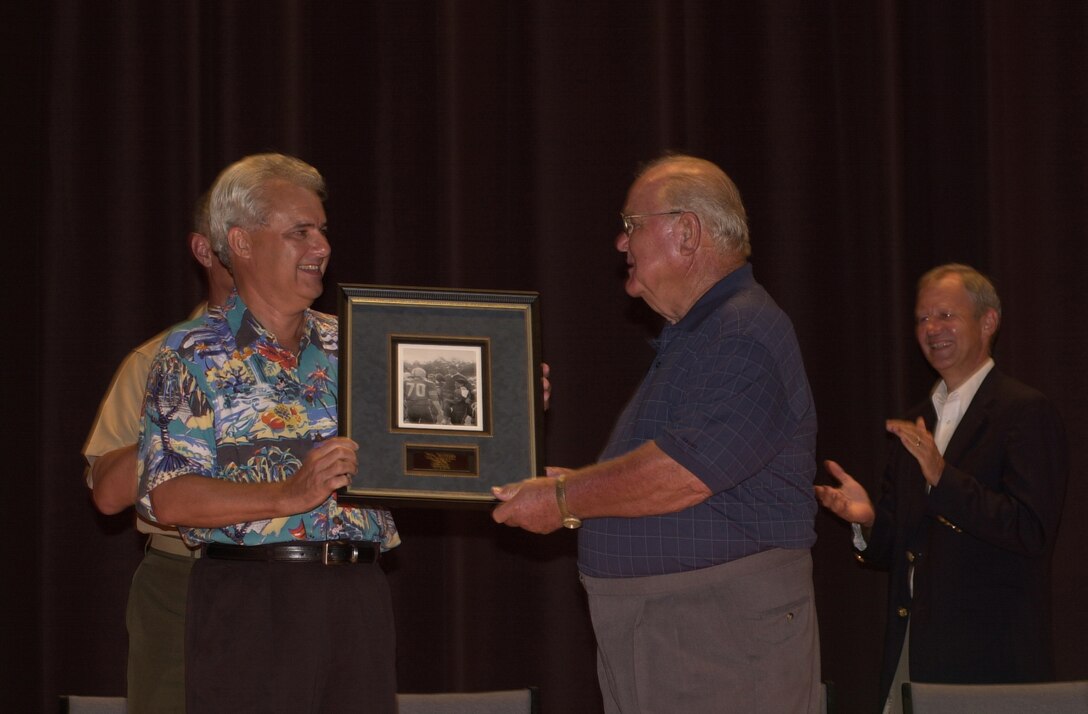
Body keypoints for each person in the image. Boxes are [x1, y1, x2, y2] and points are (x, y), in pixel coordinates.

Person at [493, 154, 822, 713]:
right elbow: (696, 468)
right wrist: (579, 487)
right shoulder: (708, 331)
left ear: (687, 232)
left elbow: (684, 474)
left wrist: (566, 500)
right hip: (689, 633)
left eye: (631, 226)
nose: (622, 244)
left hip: (714, 637)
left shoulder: (742, 332)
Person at [135, 153, 400, 712]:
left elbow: (418, 448)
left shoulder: (359, 340)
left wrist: (498, 410)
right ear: (243, 242)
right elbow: (169, 496)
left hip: (359, 593)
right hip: (253, 600)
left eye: (322, 231)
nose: (322, 247)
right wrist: (287, 494)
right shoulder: (191, 354)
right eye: (300, 231)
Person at [815, 264, 1068, 713]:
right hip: (916, 649)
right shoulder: (917, 420)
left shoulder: (1024, 412)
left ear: (988, 322)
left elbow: (1031, 530)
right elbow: (904, 543)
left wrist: (942, 477)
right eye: (922, 319)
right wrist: (870, 521)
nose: (932, 329)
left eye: (947, 316)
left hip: (991, 663)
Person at [82, 192, 234, 713]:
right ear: (206, 249)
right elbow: (107, 495)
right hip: (186, 576)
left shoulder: (332, 354)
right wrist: (183, 403)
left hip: (301, 571)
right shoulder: (157, 360)